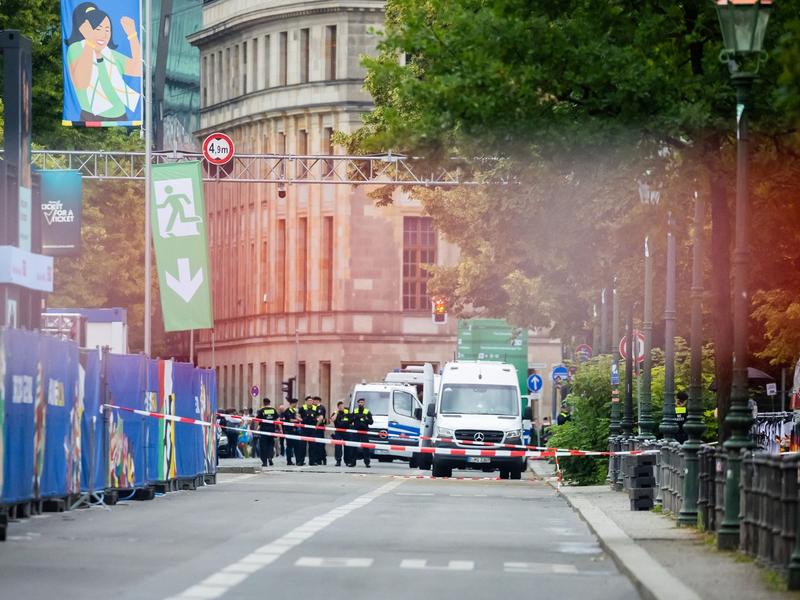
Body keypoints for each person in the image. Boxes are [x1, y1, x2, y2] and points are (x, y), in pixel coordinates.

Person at [64, 3, 142, 122]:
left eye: (107, 29)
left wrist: (132, 35)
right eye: (98, 29)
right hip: (90, 116)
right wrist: (89, 43)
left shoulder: (109, 54)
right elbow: (81, 83)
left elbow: (137, 70)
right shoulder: (77, 48)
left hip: (120, 116)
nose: (104, 35)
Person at [350, 398, 373, 468]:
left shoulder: (367, 411)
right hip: (356, 431)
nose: (360, 403)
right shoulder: (355, 411)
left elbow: (371, 422)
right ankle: (352, 462)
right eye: (359, 402)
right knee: (353, 447)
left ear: (364, 403)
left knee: (366, 447)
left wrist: (366, 419)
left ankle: (367, 462)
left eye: (361, 402)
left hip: (364, 431)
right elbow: (350, 420)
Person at [255, 399, 278, 467]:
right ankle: (270, 457)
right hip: (271, 429)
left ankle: (264, 461)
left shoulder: (262, 411)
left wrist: (256, 429)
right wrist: (280, 429)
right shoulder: (273, 410)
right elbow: (277, 420)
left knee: (263, 445)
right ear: (269, 403)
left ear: (264, 403)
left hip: (264, 429)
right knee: (271, 444)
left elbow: (257, 420)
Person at [300, 396, 320, 465]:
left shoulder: (315, 408)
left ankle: (312, 461)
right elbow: (297, 416)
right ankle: (301, 461)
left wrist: (317, 424)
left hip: (312, 428)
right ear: (306, 401)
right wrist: (301, 420)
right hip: (304, 428)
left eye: (311, 401)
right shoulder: (303, 408)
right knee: (302, 445)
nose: (310, 402)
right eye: (308, 400)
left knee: (312, 446)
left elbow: (318, 416)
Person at [283, 399, 303, 466]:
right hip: (290, 431)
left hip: (296, 430)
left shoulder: (294, 411)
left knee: (297, 446)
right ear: (293, 403)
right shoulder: (287, 411)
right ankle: (289, 461)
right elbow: (290, 420)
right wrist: (298, 420)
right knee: (289, 446)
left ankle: (298, 460)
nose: (296, 405)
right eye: (296, 403)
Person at [331, 401, 352, 467]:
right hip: (338, 431)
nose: (341, 408)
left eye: (342, 406)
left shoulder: (347, 412)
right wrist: (337, 412)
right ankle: (338, 461)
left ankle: (347, 461)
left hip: (346, 431)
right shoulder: (335, 413)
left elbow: (351, 420)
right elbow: (332, 419)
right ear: (338, 407)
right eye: (340, 407)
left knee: (347, 447)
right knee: (338, 447)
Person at [313, 396, 327, 466]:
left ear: (317, 401)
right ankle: (322, 459)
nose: (313, 402)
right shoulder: (319, 407)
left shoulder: (320, 408)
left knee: (319, 445)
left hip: (319, 428)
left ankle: (319, 459)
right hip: (320, 428)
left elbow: (320, 418)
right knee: (320, 444)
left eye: (314, 401)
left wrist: (316, 426)